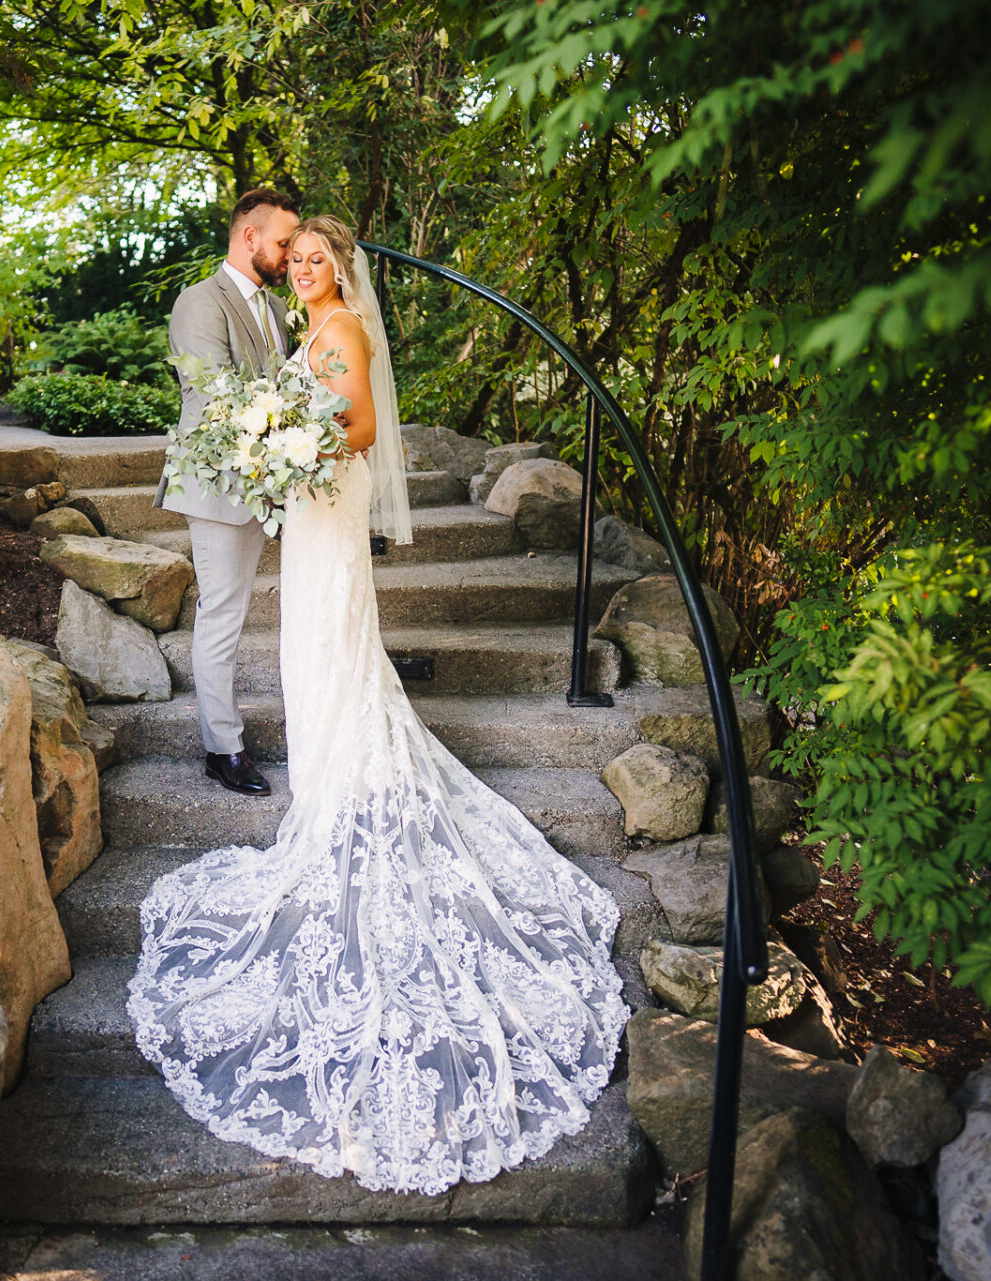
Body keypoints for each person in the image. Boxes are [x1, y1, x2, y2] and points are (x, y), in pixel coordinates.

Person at [127, 215, 631, 1195]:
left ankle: (341, 790)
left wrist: (295, 446)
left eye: (319, 259)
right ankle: (331, 779)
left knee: (327, 640)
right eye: (298, 258)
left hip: (326, 495)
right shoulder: (304, 326)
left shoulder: (343, 328)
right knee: (315, 646)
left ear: (341, 269)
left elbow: (357, 428)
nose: (306, 268)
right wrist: (278, 444)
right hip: (311, 501)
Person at [157, 188, 302, 797]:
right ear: (250, 237)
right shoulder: (199, 302)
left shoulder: (272, 308)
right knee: (222, 616)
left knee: (243, 613)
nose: (291, 254)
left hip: (269, 482)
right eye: (285, 242)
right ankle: (223, 749)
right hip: (218, 488)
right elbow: (219, 399)